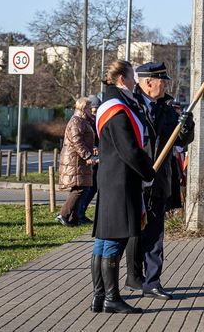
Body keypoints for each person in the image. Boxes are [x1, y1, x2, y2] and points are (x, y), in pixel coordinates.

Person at [90, 60, 155, 314]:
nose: (135, 81)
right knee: (114, 240)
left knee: (104, 241)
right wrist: (148, 171)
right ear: (121, 79)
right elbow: (128, 149)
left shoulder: (113, 104)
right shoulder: (117, 109)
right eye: (132, 76)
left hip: (111, 178)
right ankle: (111, 298)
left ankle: (99, 297)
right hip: (120, 180)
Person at [125, 62, 194, 301]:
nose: (165, 86)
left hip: (159, 180)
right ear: (147, 83)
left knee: (155, 234)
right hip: (135, 178)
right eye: (162, 82)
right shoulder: (129, 106)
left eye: (166, 82)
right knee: (133, 232)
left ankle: (152, 281)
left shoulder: (168, 108)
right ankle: (134, 277)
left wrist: (187, 125)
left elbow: (181, 142)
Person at [57, 97, 97, 226]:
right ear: (83, 108)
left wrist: (93, 149)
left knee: (82, 187)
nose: (91, 110)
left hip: (79, 160)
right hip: (75, 160)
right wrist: (87, 156)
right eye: (89, 108)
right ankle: (63, 214)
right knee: (79, 188)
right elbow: (77, 141)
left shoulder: (83, 121)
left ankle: (73, 218)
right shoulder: (76, 121)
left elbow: (84, 140)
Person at [75, 95, 102, 224]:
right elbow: (80, 141)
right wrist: (93, 148)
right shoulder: (84, 121)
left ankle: (80, 212)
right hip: (88, 158)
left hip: (96, 157)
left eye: (96, 110)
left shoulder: (97, 120)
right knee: (87, 187)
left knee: (92, 187)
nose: (93, 113)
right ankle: (78, 213)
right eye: (91, 109)